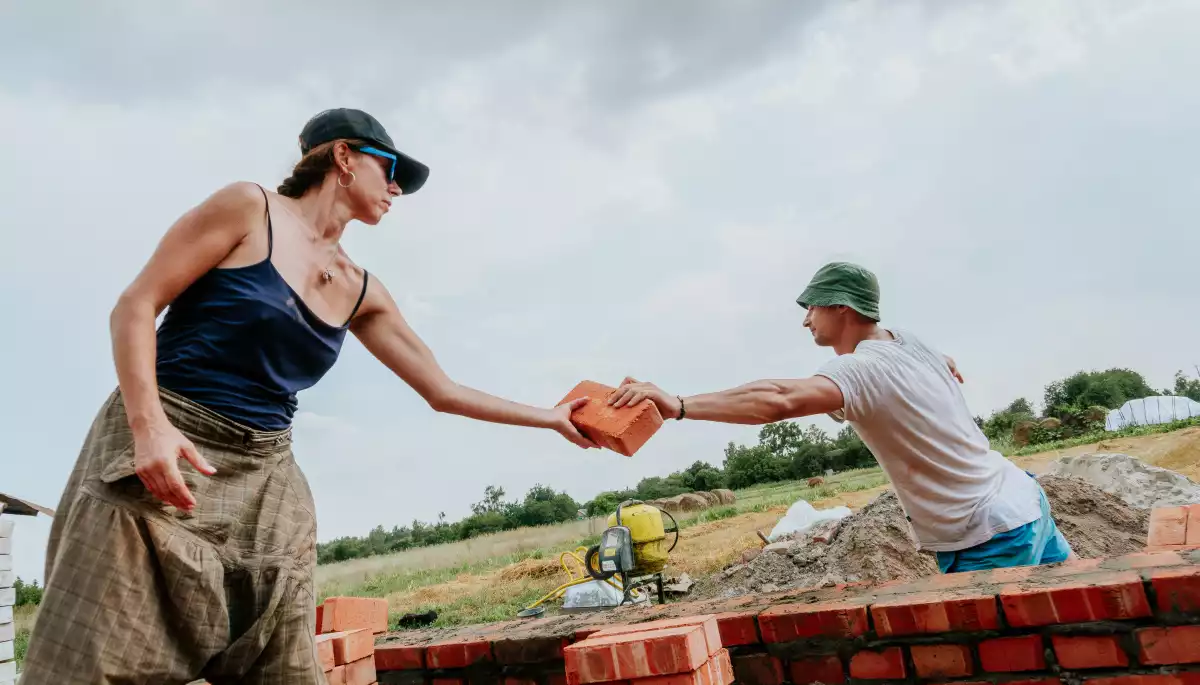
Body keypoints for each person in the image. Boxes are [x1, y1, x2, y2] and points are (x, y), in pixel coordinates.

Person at [20, 108, 597, 685]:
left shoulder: (359, 287)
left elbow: (442, 390)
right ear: (343, 157)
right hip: (170, 439)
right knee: (94, 649)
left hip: (266, 475)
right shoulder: (249, 208)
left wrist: (550, 418)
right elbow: (136, 304)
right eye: (390, 168)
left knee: (283, 664)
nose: (396, 188)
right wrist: (148, 426)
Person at [608, 261, 1074, 573]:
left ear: (841, 307)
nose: (806, 319)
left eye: (811, 307)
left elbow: (779, 398)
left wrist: (680, 405)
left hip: (986, 535)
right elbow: (938, 362)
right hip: (1024, 500)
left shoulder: (864, 369)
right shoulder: (906, 341)